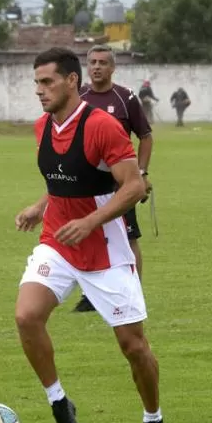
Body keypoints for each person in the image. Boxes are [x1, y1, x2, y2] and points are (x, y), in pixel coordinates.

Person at [14, 46, 169, 423]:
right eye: (36, 83)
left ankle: (153, 417)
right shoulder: (42, 128)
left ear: (71, 81)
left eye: (47, 82)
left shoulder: (102, 126)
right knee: (27, 316)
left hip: (104, 249)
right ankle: (59, 402)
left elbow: (134, 186)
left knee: (133, 347)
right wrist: (39, 205)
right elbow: (65, 178)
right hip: (58, 243)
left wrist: (90, 222)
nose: (40, 91)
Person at [72, 44, 153, 314]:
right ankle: (90, 295)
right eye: (92, 62)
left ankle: (133, 292)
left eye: (102, 62)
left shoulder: (125, 98)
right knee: (86, 235)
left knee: (128, 237)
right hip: (85, 183)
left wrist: (141, 174)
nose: (96, 67)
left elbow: (145, 136)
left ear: (113, 67)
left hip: (120, 183)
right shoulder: (78, 97)